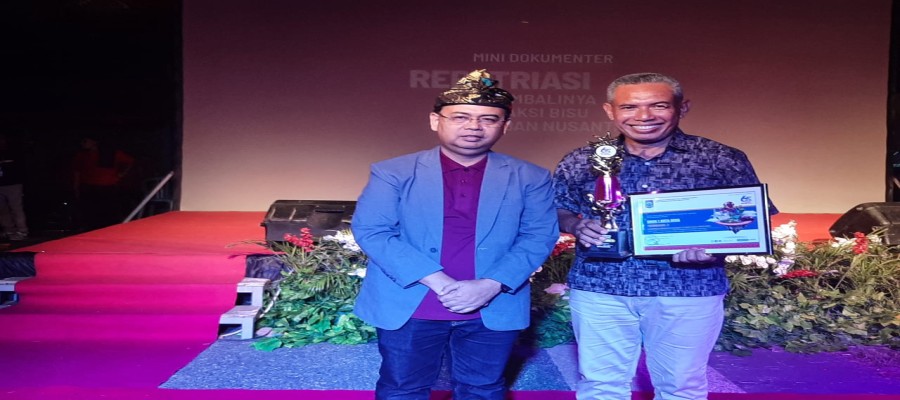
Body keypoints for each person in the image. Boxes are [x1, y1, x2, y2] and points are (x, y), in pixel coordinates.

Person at [552, 72, 777, 400]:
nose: (644, 116)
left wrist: (714, 249)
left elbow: (750, 218)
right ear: (610, 111)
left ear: (682, 108)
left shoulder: (720, 158)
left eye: (658, 106)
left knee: (681, 388)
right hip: (600, 289)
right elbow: (557, 208)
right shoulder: (582, 160)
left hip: (688, 288)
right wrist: (575, 225)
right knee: (600, 386)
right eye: (629, 107)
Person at [351, 69, 559, 400]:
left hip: (493, 303)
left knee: (483, 389)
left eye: (488, 119)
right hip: (412, 301)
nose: (474, 126)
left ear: (505, 126)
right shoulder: (393, 171)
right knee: (402, 389)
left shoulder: (530, 177)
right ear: (435, 120)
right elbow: (372, 230)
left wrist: (490, 285)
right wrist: (439, 282)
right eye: (460, 117)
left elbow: (538, 236)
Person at [72, 134, 136, 231]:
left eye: (85, 141)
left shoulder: (111, 153)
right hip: (88, 187)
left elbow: (130, 160)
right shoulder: (81, 155)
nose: (82, 144)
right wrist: (76, 187)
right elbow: (77, 172)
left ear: (94, 142)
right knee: (90, 214)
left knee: (107, 214)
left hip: (107, 187)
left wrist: (122, 174)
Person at [0, 134, 28, 241]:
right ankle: (9, 230)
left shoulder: (13, 153)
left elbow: (20, 168)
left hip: (13, 184)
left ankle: (22, 230)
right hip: (1, 185)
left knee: (16, 207)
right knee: (2, 209)